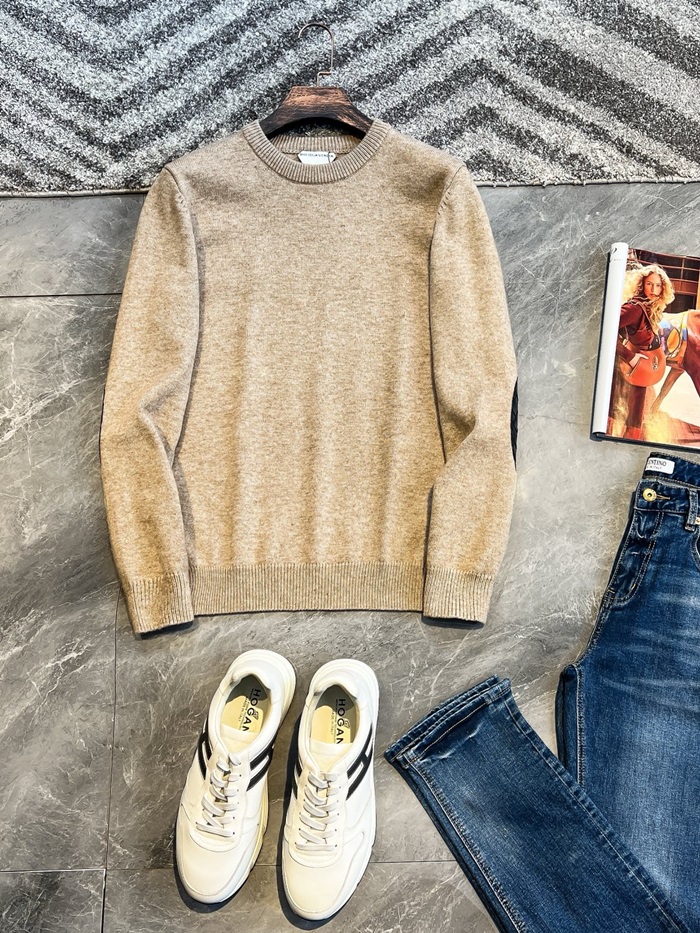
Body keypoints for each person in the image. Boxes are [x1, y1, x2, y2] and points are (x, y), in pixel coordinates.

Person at [607, 263, 675, 440]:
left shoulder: (649, 306)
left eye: (658, 285)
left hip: (643, 369)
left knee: (635, 415)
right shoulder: (634, 308)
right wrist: (629, 356)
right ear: (641, 284)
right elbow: (606, 329)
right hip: (633, 366)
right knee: (622, 411)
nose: (653, 289)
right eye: (649, 284)